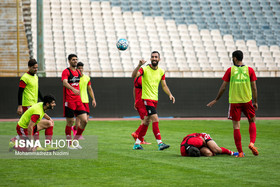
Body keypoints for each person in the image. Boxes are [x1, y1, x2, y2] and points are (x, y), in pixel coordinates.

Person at [207, 50, 258, 157]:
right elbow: (254, 87)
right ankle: (252, 143)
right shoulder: (250, 70)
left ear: (235, 58)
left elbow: (224, 86)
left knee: (236, 126)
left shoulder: (230, 70)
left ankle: (240, 152)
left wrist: (216, 99)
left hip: (235, 102)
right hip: (247, 100)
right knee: (252, 120)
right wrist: (256, 101)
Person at [131, 51, 175, 150]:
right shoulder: (144, 69)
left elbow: (164, 85)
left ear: (159, 59)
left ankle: (137, 144)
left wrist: (170, 94)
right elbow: (133, 76)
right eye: (152, 57)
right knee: (155, 119)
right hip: (146, 98)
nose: (154, 58)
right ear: (150, 59)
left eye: (156, 57)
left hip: (155, 99)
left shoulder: (161, 71)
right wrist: (139, 65)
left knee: (146, 121)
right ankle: (160, 143)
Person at [61, 54, 88, 149]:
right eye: (73, 59)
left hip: (78, 100)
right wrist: (73, 89)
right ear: (69, 61)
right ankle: (69, 144)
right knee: (70, 122)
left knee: (84, 120)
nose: (75, 61)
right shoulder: (66, 71)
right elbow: (64, 82)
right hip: (69, 100)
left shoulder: (78, 72)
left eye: (76, 59)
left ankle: (75, 141)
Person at [15, 59, 44, 141]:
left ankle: (15, 140)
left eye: (37, 68)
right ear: (29, 67)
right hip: (27, 104)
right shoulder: (24, 78)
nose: (36, 69)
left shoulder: (35, 77)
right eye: (34, 68)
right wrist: (20, 106)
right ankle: (36, 144)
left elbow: (37, 90)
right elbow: (20, 92)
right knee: (33, 125)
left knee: (34, 125)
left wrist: (43, 100)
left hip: (34, 104)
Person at [72, 62, 97, 139]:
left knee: (86, 119)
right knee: (78, 118)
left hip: (85, 100)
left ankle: (75, 129)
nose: (80, 70)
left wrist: (93, 99)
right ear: (76, 69)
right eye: (78, 68)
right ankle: (78, 134)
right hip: (77, 100)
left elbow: (90, 89)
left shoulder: (87, 78)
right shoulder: (75, 78)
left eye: (81, 68)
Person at [131, 76, 151, 145]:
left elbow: (134, 89)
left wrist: (135, 100)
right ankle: (138, 135)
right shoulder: (141, 79)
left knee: (145, 119)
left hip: (139, 100)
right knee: (146, 120)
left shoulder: (137, 78)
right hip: (142, 101)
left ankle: (139, 137)